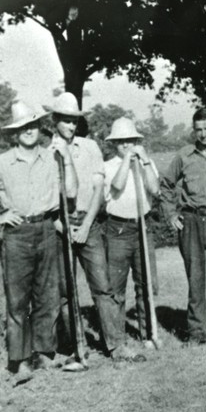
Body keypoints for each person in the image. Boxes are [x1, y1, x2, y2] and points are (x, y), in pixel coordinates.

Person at [0, 101, 77, 379]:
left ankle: (44, 354)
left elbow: (71, 191)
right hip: (17, 234)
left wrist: (66, 158)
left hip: (47, 228)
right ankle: (21, 360)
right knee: (18, 300)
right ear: (14, 133)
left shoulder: (52, 157)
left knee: (48, 296)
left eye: (33, 125)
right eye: (23, 127)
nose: (29, 131)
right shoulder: (2, 162)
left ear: (39, 128)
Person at [44, 92, 139, 362]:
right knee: (64, 291)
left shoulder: (90, 148)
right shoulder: (46, 154)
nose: (70, 126)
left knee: (103, 286)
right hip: (59, 225)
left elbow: (99, 190)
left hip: (89, 224)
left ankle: (117, 345)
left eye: (74, 121)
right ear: (55, 121)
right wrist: (63, 227)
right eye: (65, 121)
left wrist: (85, 226)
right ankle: (74, 345)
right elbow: (45, 201)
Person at [160, 107, 206, 344]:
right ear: (194, 131)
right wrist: (170, 214)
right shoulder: (184, 155)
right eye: (199, 129)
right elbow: (166, 184)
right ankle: (198, 333)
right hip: (190, 221)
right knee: (195, 279)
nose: (203, 134)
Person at [103, 117, 160, 360]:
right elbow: (116, 187)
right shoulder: (108, 166)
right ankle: (118, 337)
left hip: (142, 225)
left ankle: (148, 333)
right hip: (117, 230)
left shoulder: (146, 163)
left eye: (131, 141)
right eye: (122, 142)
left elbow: (155, 189)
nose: (127, 145)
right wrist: (126, 160)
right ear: (115, 144)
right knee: (116, 287)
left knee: (145, 282)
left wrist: (144, 161)